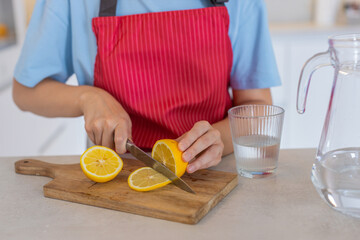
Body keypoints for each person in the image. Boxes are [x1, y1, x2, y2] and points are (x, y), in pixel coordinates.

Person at [12, 0, 280, 174]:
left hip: (214, 175)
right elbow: (25, 92)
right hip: (114, 177)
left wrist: (219, 138)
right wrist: (87, 97)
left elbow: (257, 105)